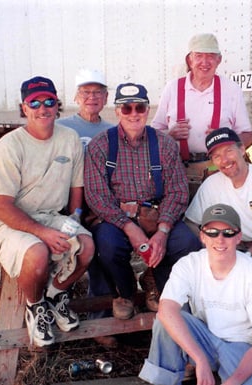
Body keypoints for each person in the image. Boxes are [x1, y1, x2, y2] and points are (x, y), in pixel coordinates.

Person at [0, 76, 94, 347]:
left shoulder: (69, 139)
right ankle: (36, 306)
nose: (42, 108)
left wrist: (75, 219)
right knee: (37, 253)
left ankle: (56, 295)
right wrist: (43, 233)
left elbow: (76, 187)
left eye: (49, 101)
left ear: (57, 105)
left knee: (87, 246)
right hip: (12, 221)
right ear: (24, 108)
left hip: (52, 216)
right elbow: (2, 207)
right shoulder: (7, 147)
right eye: (34, 102)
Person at [84, 82, 201, 323]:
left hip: (155, 214)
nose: (134, 114)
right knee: (107, 246)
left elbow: (177, 191)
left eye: (140, 107)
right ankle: (125, 291)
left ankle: (156, 283)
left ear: (148, 110)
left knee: (186, 243)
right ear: (117, 111)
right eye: (127, 109)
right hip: (116, 217)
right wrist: (128, 226)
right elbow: (97, 196)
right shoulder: (100, 145)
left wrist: (163, 230)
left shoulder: (164, 144)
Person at [184, 127, 252, 385]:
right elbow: (191, 223)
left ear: (243, 149)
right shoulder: (212, 184)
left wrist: (251, 253)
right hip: (233, 246)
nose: (224, 160)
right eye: (217, 156)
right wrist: (209, 248)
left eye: (228, 151)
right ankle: (209, 345)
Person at [139, 203, 252, 385]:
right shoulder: (189, 264)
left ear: (238, 237)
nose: (220, 239)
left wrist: (234, 381)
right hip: (204, 339)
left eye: (228, 233)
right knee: (165, 320)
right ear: (202, 236)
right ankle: (161, 381)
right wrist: (199, 360)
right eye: (212, 232)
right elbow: (165, 311)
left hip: (243, 347)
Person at [151, 33, 252, 194]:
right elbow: (152, 136)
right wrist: (170, 135)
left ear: (219, 60)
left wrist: (227, 139)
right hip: (178, 171)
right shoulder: (172, 89)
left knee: (218, 217)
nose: (205, 62)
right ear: (189, 60)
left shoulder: (231, 90)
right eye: (199, 56)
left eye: (211, 56)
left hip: (217, 170)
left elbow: (247, 135)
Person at [56, 69, 113, 149]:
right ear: (76, 97)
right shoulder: (59, 127)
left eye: (97, 92)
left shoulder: (112, 132)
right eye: (86, 92)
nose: (92, 97)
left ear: (105, 97)